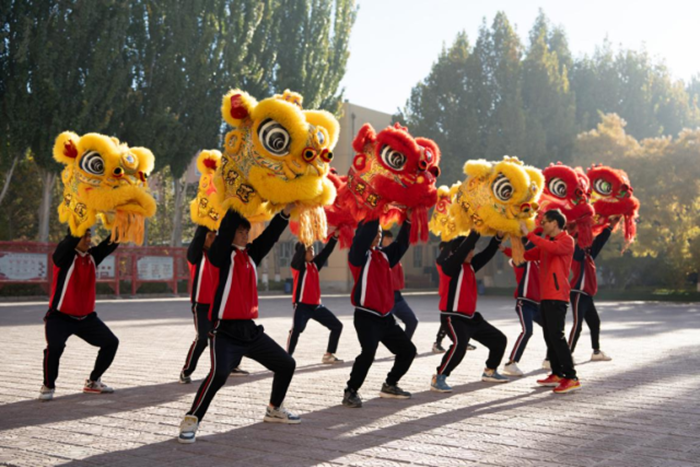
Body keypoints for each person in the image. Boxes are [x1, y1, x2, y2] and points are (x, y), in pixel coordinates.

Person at [178, 205, 298, 444]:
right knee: (219, 375)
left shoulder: (251, 255)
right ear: (230, 233)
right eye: (240, 231)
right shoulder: (219, 256)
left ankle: (274, 408)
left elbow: (270, 235)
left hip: (249, 331)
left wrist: (285, 213)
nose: (245, 235)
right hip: (224, 331)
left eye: (246, 232)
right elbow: (226, 230)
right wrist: (237, 200)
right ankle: (192, 418)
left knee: (286, 364)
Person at [342, 216, 416, 408]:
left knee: (408, 351)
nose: (378, 235)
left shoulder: (383, 256)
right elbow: (362, 237)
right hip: (366, 316)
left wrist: (408, 220)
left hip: (385, 318)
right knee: (368, 353)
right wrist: (375, 211)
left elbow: (401, 244)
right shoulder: (358, 256)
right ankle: (351, 391)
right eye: (375, 232)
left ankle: (390, 384)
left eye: (380, 233)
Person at [39, 228, 120, 401]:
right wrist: (81, 220)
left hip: (86, 318)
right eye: (85, 236)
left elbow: (110, 243)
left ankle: (93, 382)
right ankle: (48, 385)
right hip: (60, 317)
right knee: (55, 348)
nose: (89, 239)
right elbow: (70, 239)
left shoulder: (93, 256)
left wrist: (123, 225)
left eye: (90, 236)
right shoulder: (63, 256)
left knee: (111, 343)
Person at [431, 232, 508, 393]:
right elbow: (463, 248)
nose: (471, 253)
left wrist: (498, 237)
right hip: (453, 317)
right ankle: (439, 377)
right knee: (460, 345)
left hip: (471, 318)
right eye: (468, 250)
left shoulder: (471, 265)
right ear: (457, 252)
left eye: (473, 250)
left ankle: (490, 371)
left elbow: (488, 252)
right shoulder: (449, 266)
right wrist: (477, 228)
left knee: (499, 340)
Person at [180, 226, 248, 385]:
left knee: (233, 335)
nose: (213, 239)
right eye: (209, 236)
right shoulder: (195, 255)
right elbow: (198, 237)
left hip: (219, 304)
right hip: (201, 305)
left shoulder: (219, 256)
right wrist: (206, 220)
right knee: (203, 339)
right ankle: (186, 371)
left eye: (214, 236)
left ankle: (233, 366)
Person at [520, 209, 579, 394]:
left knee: (557, 337)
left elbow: (551, 248)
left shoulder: (566, 241)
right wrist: (510, 245)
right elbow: (528, 255)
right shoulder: (547, 243)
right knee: (549, 336)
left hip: (557, 296)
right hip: (545, 296)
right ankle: (557, 373)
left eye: (544, 222)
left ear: (555, 223)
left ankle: (571, 377)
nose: (542, 225)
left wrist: (529, 234)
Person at [568, 217, 620, 361]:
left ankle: (596, 352)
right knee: (577, 325)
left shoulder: (588, 254)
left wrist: (610, 226)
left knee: (595, 322)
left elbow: (599, 242)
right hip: (578, 293)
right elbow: (578, 242)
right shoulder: (575, 252)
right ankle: (567, 354)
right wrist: (580, 229)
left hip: (586, 295)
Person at [287, 234, 343, 363]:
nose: (312, 251)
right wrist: (306, 235)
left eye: (312, 249)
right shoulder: (298, 266)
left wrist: (334, 237)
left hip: (317, 306)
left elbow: (326, 251)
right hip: (301, 306)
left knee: (337, 326)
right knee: (296, 330)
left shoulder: (315, 265)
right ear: (302, 252)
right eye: (309, 249)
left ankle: (328, 355)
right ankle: (286, 357)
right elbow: (300, 252)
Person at [499, 239, 542, 377]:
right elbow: (518, 254)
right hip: (525, 303)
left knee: (551, 329)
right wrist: (505, 249)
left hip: (538, 304)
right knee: (527, 331)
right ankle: (511, 363)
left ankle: (549, 359)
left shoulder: (539, 262)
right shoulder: (523, 261)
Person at [431, 241, 477, 354]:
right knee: (448, 320)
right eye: (445, 250)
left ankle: (462, 340)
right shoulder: (443, 262)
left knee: (454, 320)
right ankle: (438, 342)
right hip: (447, 292)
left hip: (454, 292)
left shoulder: (455, 261)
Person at [382, 230, 418, 340]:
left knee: (412, 321)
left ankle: (404, 346)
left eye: (391, 238)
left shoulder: (394, 254)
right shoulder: (379, 255)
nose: (390, 240)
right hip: (386, 297)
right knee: (385, 327)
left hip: (397, 296)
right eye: (388, 238)